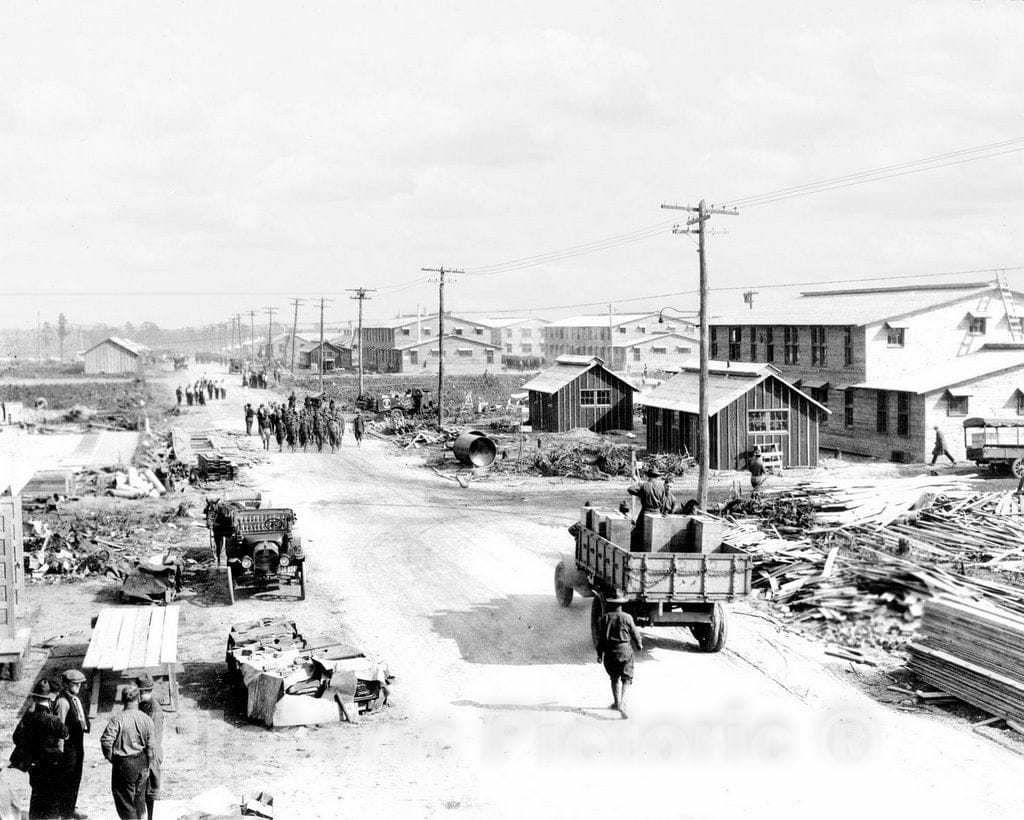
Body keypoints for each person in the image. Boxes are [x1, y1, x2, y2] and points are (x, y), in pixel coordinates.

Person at [12, 680, 68, 820]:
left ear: (35, 698)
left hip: (34, 764)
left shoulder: (28, 717)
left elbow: (16, 738)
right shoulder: (53, 720)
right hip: (52, 765)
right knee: (52, 799)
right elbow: (65, 734)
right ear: (50, 699)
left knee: (36, 796)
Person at [100, 685, 154, 820]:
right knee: (140, 799)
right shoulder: (146, 719)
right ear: (139, 698)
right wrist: (148, 764)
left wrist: (112, 758)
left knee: (125, 802)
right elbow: (151, 746)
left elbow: (106, 741)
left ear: (123, 700)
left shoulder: (118, 719)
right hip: (142, 761)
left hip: (124, 764)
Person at [595, 596, 643, 719]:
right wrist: (639, 644)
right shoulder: (628, 617)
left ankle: (616, 703)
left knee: (614, 677)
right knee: (627, 678)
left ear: (610, 605)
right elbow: (635, 634)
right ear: (622, 605)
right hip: (625, 651)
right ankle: (623, 702)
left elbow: (600, 639)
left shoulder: (605, 618)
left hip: (610, 652)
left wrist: (599, 654)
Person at [54, 669, 90, 819]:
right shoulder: (63, 702)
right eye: (75, 684)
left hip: (77, 745)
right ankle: (65, 813)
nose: (78, 687)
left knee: (76, 777)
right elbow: (59, 726)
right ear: (66, 684)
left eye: (80, 684)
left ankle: (70, 808)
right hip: (68, 748)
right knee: (66, 780)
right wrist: (60, 750)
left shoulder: (75, 698)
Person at [135, 676, 162, 820]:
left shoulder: (155, 710)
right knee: (141, 793)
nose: (139, 695)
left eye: (142, 692)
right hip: (142, 754)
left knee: (151, 794)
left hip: (151, 757)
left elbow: (155, 739)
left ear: (148, 691)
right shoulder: (142, 705)